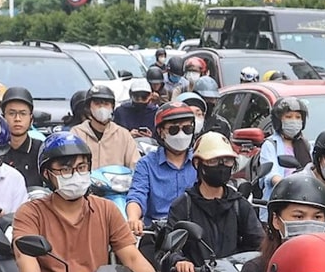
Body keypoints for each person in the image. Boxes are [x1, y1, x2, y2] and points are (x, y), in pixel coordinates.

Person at [11, 133, 176, 272]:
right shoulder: (30, 213)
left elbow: (131, 256)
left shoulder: (106, 209)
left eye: (81, 167)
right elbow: (25, 257)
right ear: (46, 174)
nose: (75, 174)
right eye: (65, 169)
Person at [167, 132, 261, 261]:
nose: (221, 166)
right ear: (197, 163)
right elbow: (169, 249)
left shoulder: (240, 205)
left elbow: (258, 243)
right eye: (213, 161)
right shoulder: (183, 205)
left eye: (227, 161)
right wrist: (180, 262)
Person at [126, 102, 199, 234]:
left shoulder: (200, 160)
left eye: (187, 129)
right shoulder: (146, 164)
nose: (181, 135)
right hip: (158, 235)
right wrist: (133, 218)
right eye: (174, 129)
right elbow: (137, 195)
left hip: (196, 232)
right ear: (161, 132)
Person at [70, 83, 143, 170]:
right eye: (97, 104)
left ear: (112, 107)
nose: (102, 108)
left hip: (117, 183)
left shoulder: (123, 135)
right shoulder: (77, 134)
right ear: (88, 107)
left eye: (106, 104)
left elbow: (136, 166)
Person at [0, 85, 45, 187]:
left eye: (23, 113)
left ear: (31, 119)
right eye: (12, 113)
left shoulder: (41, 150)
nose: (17, 119)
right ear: (3, 118)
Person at [260, 96, 311, 182]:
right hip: (281, 193)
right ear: (278, 120)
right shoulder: (271, 145)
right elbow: (270, 175)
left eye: (298, 117)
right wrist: (282, 182)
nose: (294, 121)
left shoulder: (306, 144)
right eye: (288, 117)